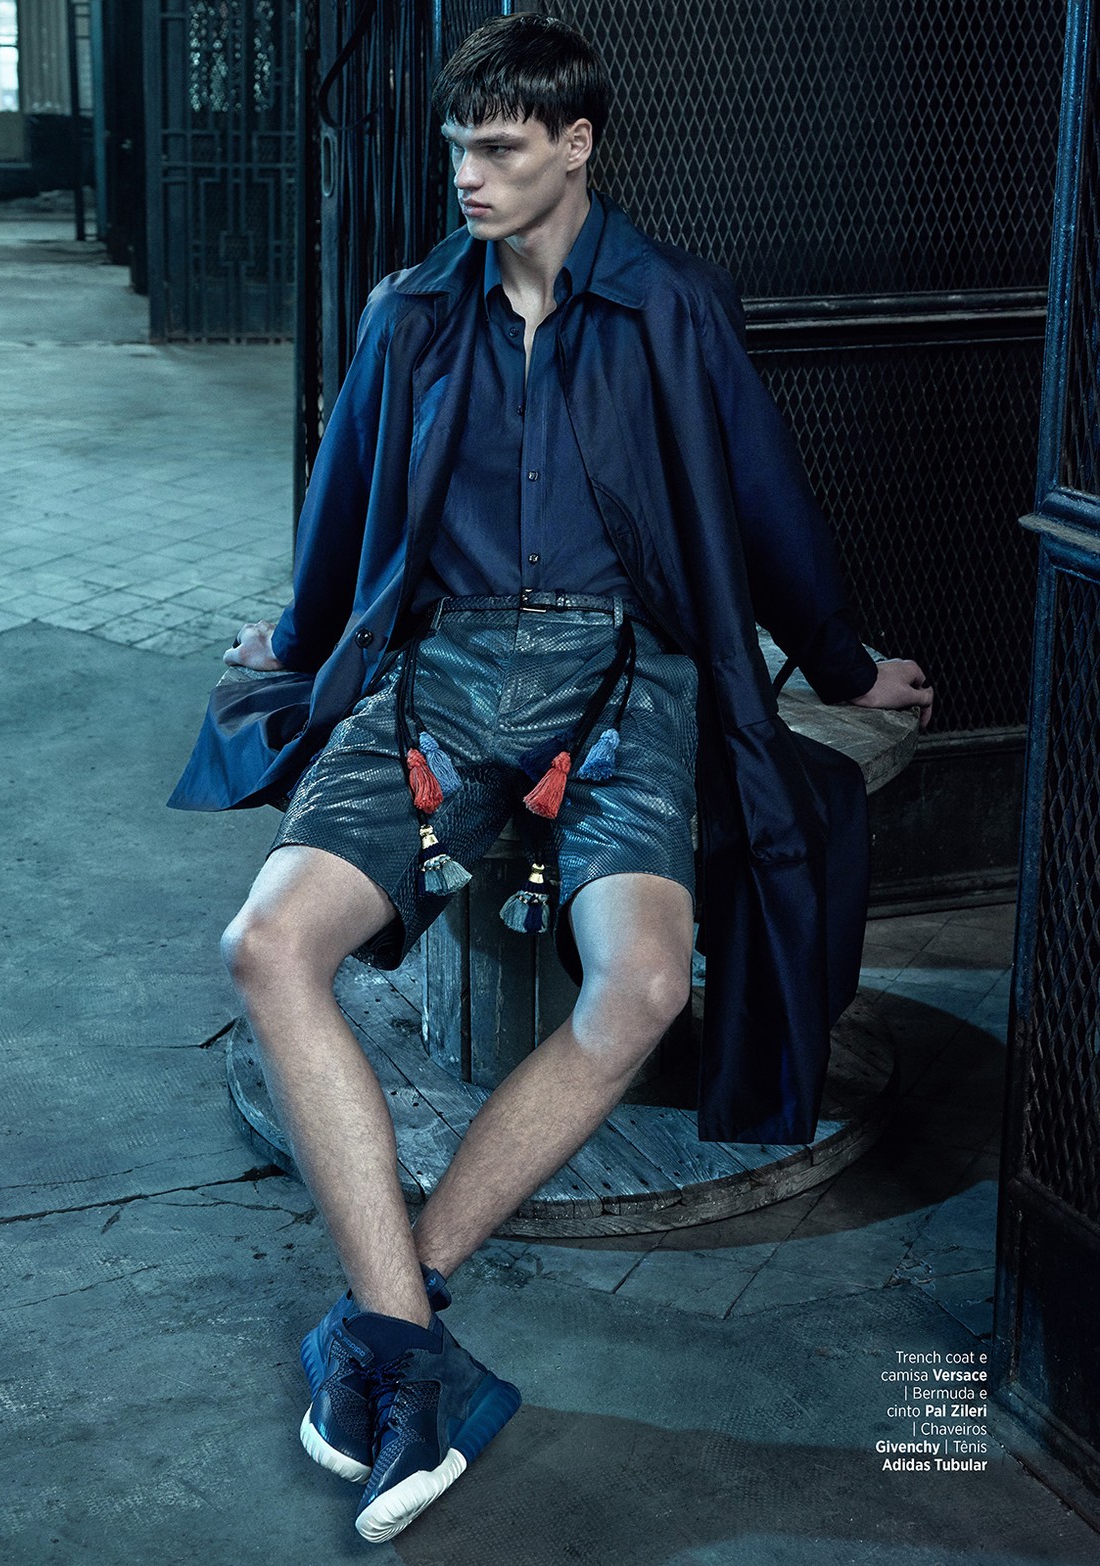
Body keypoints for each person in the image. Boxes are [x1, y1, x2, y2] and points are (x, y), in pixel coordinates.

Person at [169, 13, 933, 1544]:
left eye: (502, 148)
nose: (469, 174)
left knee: (639, 983)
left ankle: (392, 1313)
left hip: (626, 683)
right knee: (267, 942)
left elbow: (766, 505)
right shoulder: (409, 315)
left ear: (578, 147)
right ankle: (412, 1348)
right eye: (460, 145)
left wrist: (843, 668)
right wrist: (298, 643)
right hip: (440, 678)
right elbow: (344, 512)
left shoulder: (674, 309)